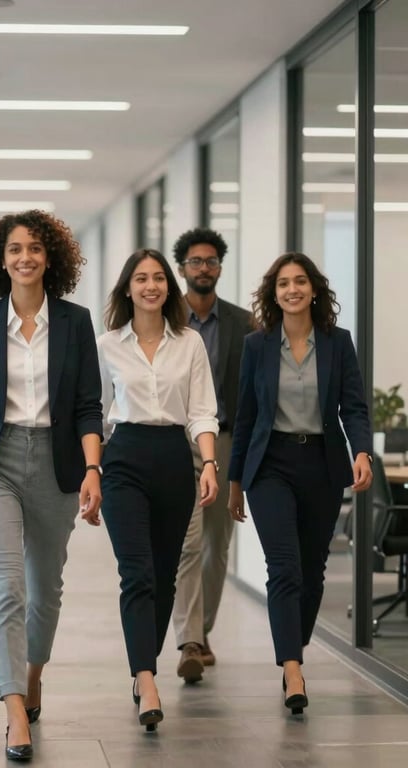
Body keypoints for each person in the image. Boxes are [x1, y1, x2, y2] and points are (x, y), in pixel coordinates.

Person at [0, 210, 102, 761]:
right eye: (14, 248)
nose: (25, 257)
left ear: (50, 257)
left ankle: (33, 673)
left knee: (44, 588)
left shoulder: (76, 322)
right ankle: (14, 709)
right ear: (0, 259)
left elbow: (88, 406)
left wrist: (92, 469)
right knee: (6, 587)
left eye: (35, 247)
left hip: (58, 463)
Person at [227, 252, 372, 715]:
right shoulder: (257, 346)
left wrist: (362, 451)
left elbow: (353, 406)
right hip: (270, 465)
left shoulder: (337, 343)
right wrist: (235, 481)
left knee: (312, 574)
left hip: (323, 465)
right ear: (274, 293)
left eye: (300, 281)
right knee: (284, 567)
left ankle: (294, 644)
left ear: (314, 290)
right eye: (283, 283)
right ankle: (292, 669)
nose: (292, 289)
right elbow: (246, 416)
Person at [97, 248, 218, 732]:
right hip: (123, 458)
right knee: (137, 573)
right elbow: (94, 414)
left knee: (165, 575)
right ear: (128, 288)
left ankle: (142, 663)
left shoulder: (189, 344)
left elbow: (202, 410)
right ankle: (145, 678)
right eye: (141, 278)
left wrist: (209, 462)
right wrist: (91, 471)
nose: (151, 286)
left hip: (173, 458)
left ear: (169, 287)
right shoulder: (106, 345)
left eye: (158, 279)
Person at [170, 227, 253, 683]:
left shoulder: (244, 323)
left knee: (217, 544)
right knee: (188, 541)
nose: (204, 268)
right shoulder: (166, 319)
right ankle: (190, 640)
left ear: (220, 267)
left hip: (223, 440)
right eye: (195, 261)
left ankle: (201, 632)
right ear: (182, 267)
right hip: (174, 440)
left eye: (211, 261)